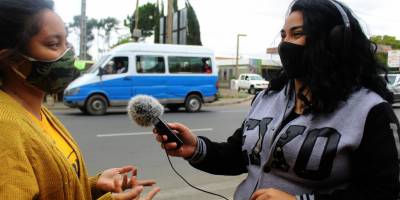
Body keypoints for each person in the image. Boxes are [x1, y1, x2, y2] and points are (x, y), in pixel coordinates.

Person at [153, 0, 400, 199]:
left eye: (297, 34)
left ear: (334, 42)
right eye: (283, 35)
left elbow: (383, 192)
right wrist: (196, 148)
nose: (285, 44)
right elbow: (241, 156)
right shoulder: (268, 97)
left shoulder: (371, 111)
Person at [0, 0, 160, 199]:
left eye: (66, 42)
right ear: (12, 60)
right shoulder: (5, 129)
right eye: (53, 44)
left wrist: (94, 186)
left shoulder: (37, 110)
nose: (68, 53)